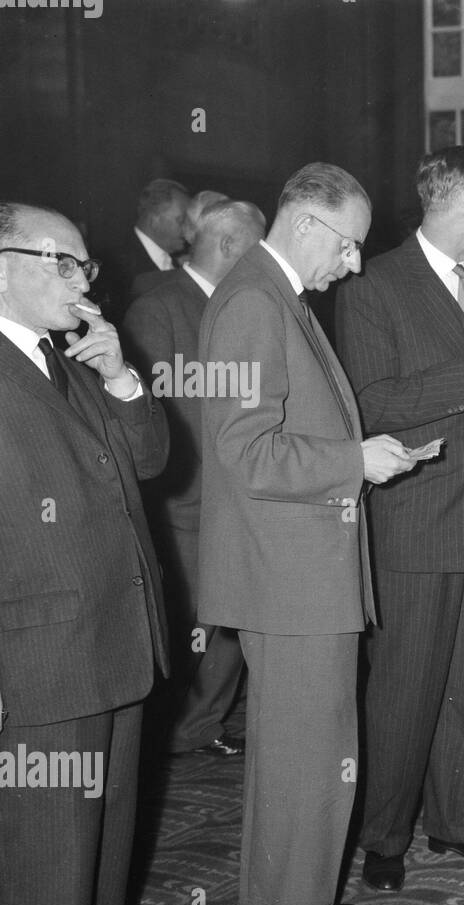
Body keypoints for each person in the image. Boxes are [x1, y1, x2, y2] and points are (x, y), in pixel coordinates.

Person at [198, 162, 416, 905]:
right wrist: (353, 460)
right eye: (351, 247)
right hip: (286, 577)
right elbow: (246, 452)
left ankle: (294, 899)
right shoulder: (257, 300)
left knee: (307, 750)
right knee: (303, 755)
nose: (354, 264)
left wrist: (355, 457)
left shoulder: (271, 293)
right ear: (309, 225)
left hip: (298, 571)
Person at [336, 146, 464, 888]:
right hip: (416, 518)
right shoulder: (375, 285)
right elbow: (367, 403)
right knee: (404, 687)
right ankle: (384, 837)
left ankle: (457, 824)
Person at [0, 201, 169, 905]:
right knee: (46, 860)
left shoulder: (64, 360)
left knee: (102, 846)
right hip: (37, 662)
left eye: (85, 263)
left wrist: (121, 379)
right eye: (60, 261)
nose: (82, 279)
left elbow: (151, 460)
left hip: (113, 639)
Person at [121, 199, 265, 759]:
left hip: (242, 494)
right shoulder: (158, 307)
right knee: (194, 624)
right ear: (230, 246)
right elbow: (152, 419)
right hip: (190, 501)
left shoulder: (245, 303)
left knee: (230, 618)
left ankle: (200, 725)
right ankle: (176, 730)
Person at [99, 178, 190, 317]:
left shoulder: (176, 263)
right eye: (181, 220)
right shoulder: (116, 265)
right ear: (154, 218)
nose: (187, 229)